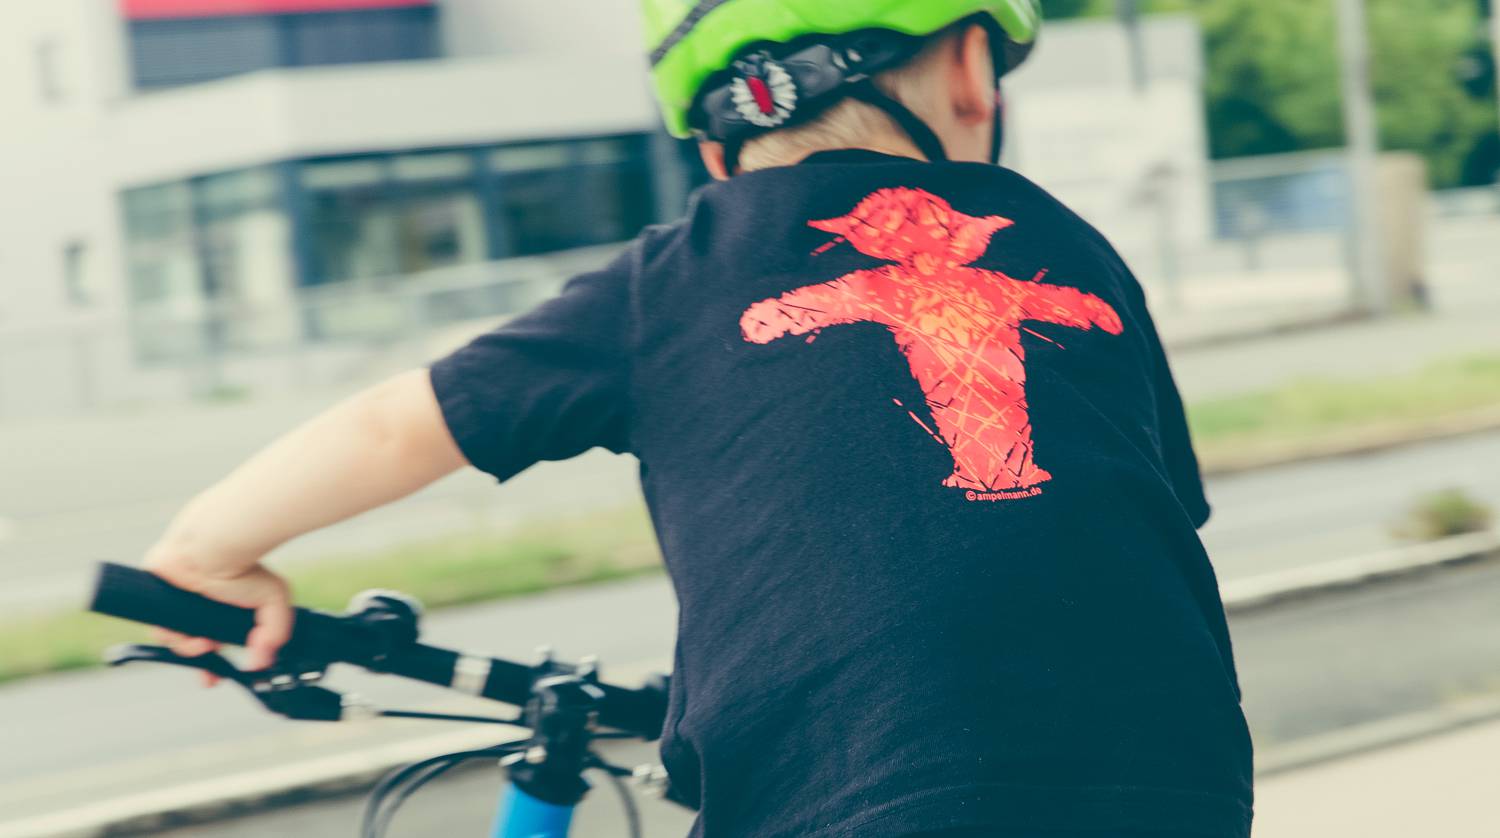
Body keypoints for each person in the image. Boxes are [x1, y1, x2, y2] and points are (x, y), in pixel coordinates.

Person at [142, 1, 1254, 835]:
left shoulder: (669, 279)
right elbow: (1164, 512)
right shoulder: (1071, 242)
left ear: (714, 152)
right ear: (973, 72)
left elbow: (397, 424)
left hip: (843, 789)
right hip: (1173, 774)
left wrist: (205, 550)